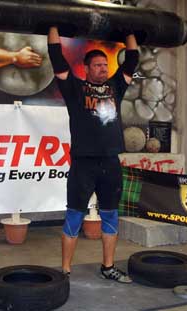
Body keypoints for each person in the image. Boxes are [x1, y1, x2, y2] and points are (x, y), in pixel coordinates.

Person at [47, 26, 139, 283]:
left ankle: (108, 267)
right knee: (74, 215)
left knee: (110, 214)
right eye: (97, 65)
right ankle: (65, 270)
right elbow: (56, 56)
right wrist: (54, 27)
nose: (102, 68)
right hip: (83, 164)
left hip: (110, 162)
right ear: (86, 68)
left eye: (104, 64)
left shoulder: (116, 87)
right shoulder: (74, 89)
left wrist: (130, 28)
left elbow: (132, 59)